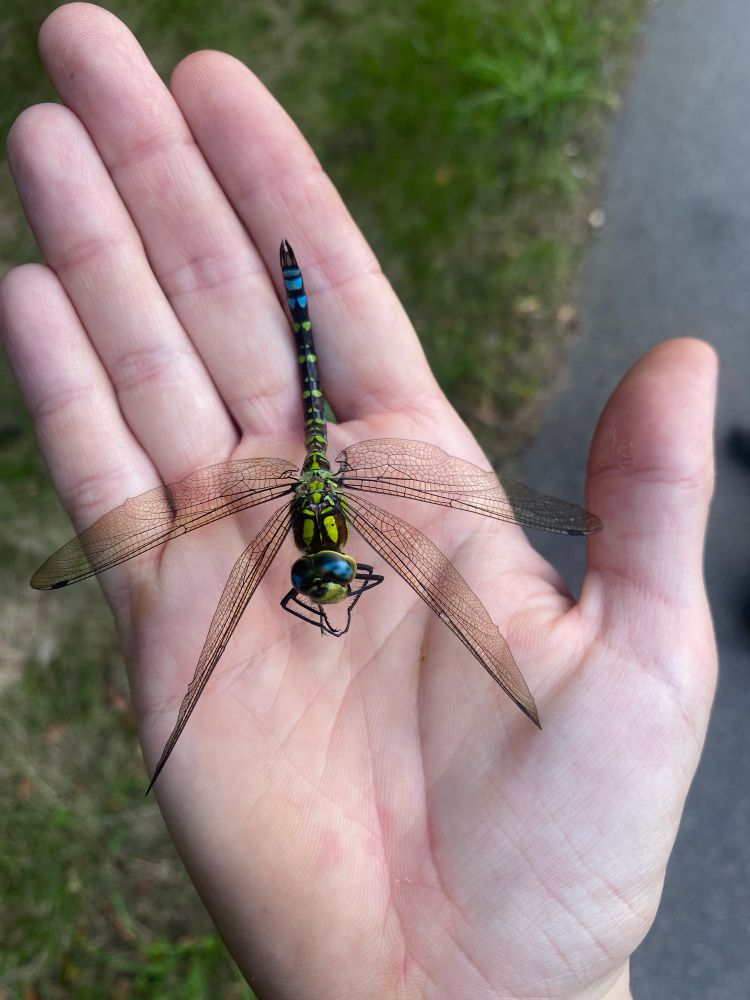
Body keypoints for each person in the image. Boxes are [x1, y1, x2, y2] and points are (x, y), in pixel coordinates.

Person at [0, 5, 718, 999]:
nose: (329, 581)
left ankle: (293, 297)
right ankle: (289, 298)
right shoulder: (305, 539)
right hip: (303, 441)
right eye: (331, 574)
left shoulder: (346, 540)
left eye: (325, 575)